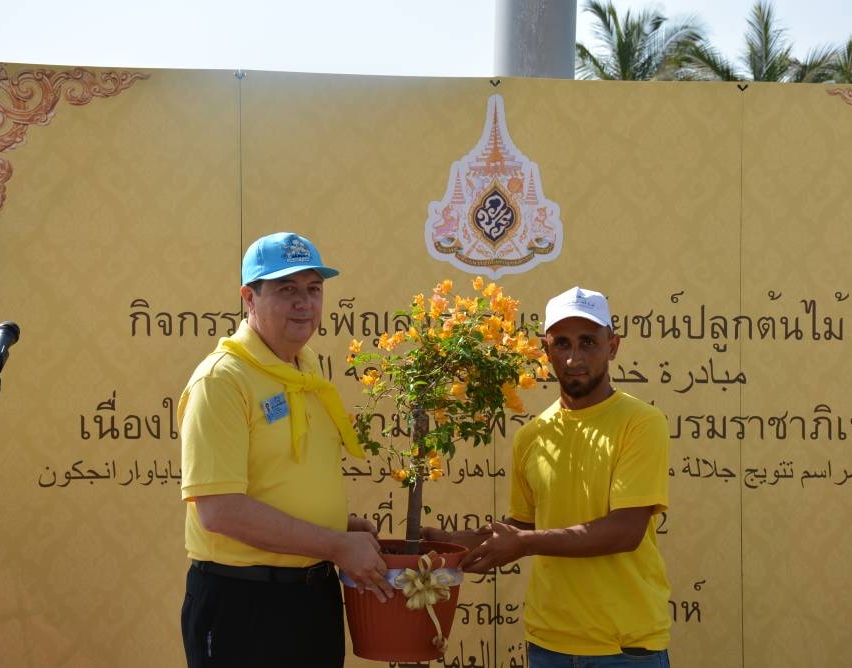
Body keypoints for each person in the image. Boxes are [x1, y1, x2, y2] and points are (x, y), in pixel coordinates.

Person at [425, 286, 672, 667]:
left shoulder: (640, 423)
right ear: (545, 349)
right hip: (548, 645)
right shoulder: (532, 436)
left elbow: (625, 531)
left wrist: (523, 544)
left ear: (613, 346)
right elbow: (522, 526)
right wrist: (452, 545)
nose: (574, 357)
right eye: (562, 343)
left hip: (623, 647)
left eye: (588, 341)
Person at [178, 232, 394, 668]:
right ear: (249, 298)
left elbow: (279, 483)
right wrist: (335, 543)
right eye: (286, 289)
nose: (304, 303)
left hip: (313, 598)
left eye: (314, 289)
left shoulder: (307, 371)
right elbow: (219, 509)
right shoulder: (222, 380)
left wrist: (341, 526)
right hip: (244, 602)